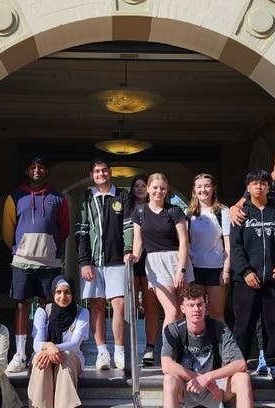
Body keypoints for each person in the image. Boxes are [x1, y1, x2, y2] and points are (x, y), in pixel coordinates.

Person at [160, 285, 258, 408]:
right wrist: (197, 378)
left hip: (216, 390)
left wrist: (209, 378)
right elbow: (166, 364)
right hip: (187, 390)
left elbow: (240, 363)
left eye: (200, 304)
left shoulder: (218, 328)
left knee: (242, 378)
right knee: (169, 380)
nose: (196, 309)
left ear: (205, 307)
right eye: (191, 305)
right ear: (182, 308)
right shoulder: (174, 330)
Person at [229, 148, 275, 371]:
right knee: (247, 321)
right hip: (251, 268)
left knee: (274, 319)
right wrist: (234, 208)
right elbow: (240, 205)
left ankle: (272, 360)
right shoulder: (259, 184)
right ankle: (241, 361)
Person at [2, 153, 70, 374]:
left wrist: (49, 246)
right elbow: (7, 230)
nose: (37, 170)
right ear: (27, 171)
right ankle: (20, 354)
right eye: (33, 167)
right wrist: (21, 248)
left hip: (49, 262)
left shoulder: (58, 198)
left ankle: (42, 350)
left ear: (46, 171)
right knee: (22, 305)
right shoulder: (15, 197)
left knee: (47, 307)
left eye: (41, 167)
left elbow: (64, 229)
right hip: (22, 260)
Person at [75, 159, 134, 371]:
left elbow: (129, 226)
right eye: (97, 171)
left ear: (110, 173)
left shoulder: (122, 196)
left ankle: (119, 351)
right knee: (97, 305)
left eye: (104, 170)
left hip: (118, 260)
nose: (101, 174)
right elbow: (81, 232)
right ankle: (102, 353)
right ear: (92, 175)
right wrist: (84, 262)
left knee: (119, 304)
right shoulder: (86, 198)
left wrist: (128, 250)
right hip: (93, 262)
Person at [28, 275, 90, 408]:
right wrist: (48, 348)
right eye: (59, 292)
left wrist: (52, 348)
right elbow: (37, 344)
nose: (63, 297)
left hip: (71, 358)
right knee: (41, 358)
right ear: (53, 293)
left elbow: (75, 343)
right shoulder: (43, 311)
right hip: (46, 355)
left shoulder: (82, 313)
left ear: (73, 293)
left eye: (67, 292)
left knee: (66, 356)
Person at [131, 172, 193, 327]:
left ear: (167, 190)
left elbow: (184, 241)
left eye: (162, 188)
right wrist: (134, 257)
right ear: (148, 189)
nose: (159, 191)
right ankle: (168, 351)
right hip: (155, 263)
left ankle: (181, 349)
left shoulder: (174, 211)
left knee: (183, 311)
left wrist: (181, 270)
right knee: (172, 311)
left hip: (178, 261)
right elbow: (138, 241)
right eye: (155, 188)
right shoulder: (139, 212)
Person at [186, 173, 231, 322]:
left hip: (216, 268)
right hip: (195, 268)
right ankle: (198, 345)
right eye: (199, 186)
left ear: (213, 188)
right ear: (194, 190)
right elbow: (185, 242)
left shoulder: (222, 211)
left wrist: (226, 270)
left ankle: (219, 344)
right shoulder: (189, 213)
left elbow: (227, 243)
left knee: (216, 312)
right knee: (196, 313)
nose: (203, 190)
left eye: (207, 186)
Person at [129, 174, 161, 366]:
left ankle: (150, 347)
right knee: (130, 307)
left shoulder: (157, 209)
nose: (140, 189)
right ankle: (128, 347)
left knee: (150, 307)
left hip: (152, 260)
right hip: (131, 260)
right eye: (137, 186)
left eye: (143, 185)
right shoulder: (127, 209)